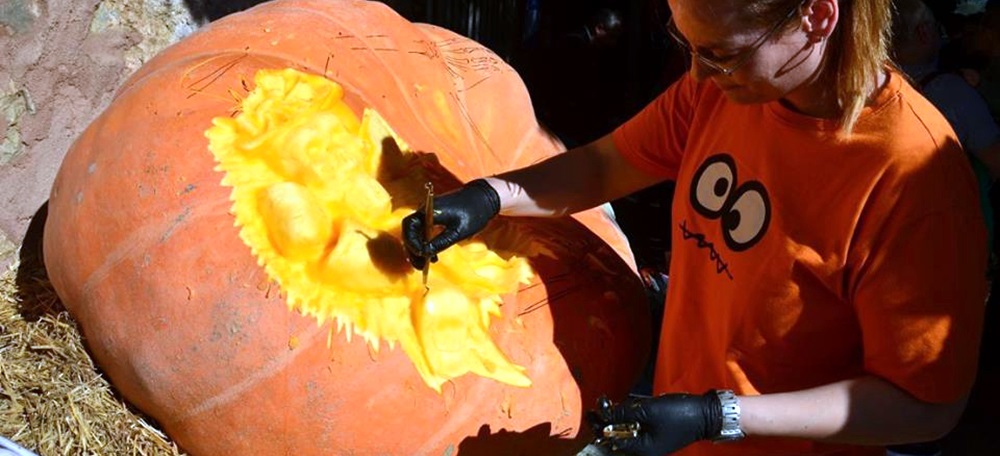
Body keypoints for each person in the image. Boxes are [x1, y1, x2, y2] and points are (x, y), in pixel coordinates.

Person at [402, 0, 989, 455]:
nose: (699, 74)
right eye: (686, 42)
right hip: (680, 429)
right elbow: (605, 165)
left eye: (722, 53)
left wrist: (721, 416)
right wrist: (491, 195)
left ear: (817, 16)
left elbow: (925, 406)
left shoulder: (915, 177)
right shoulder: (727, 90)